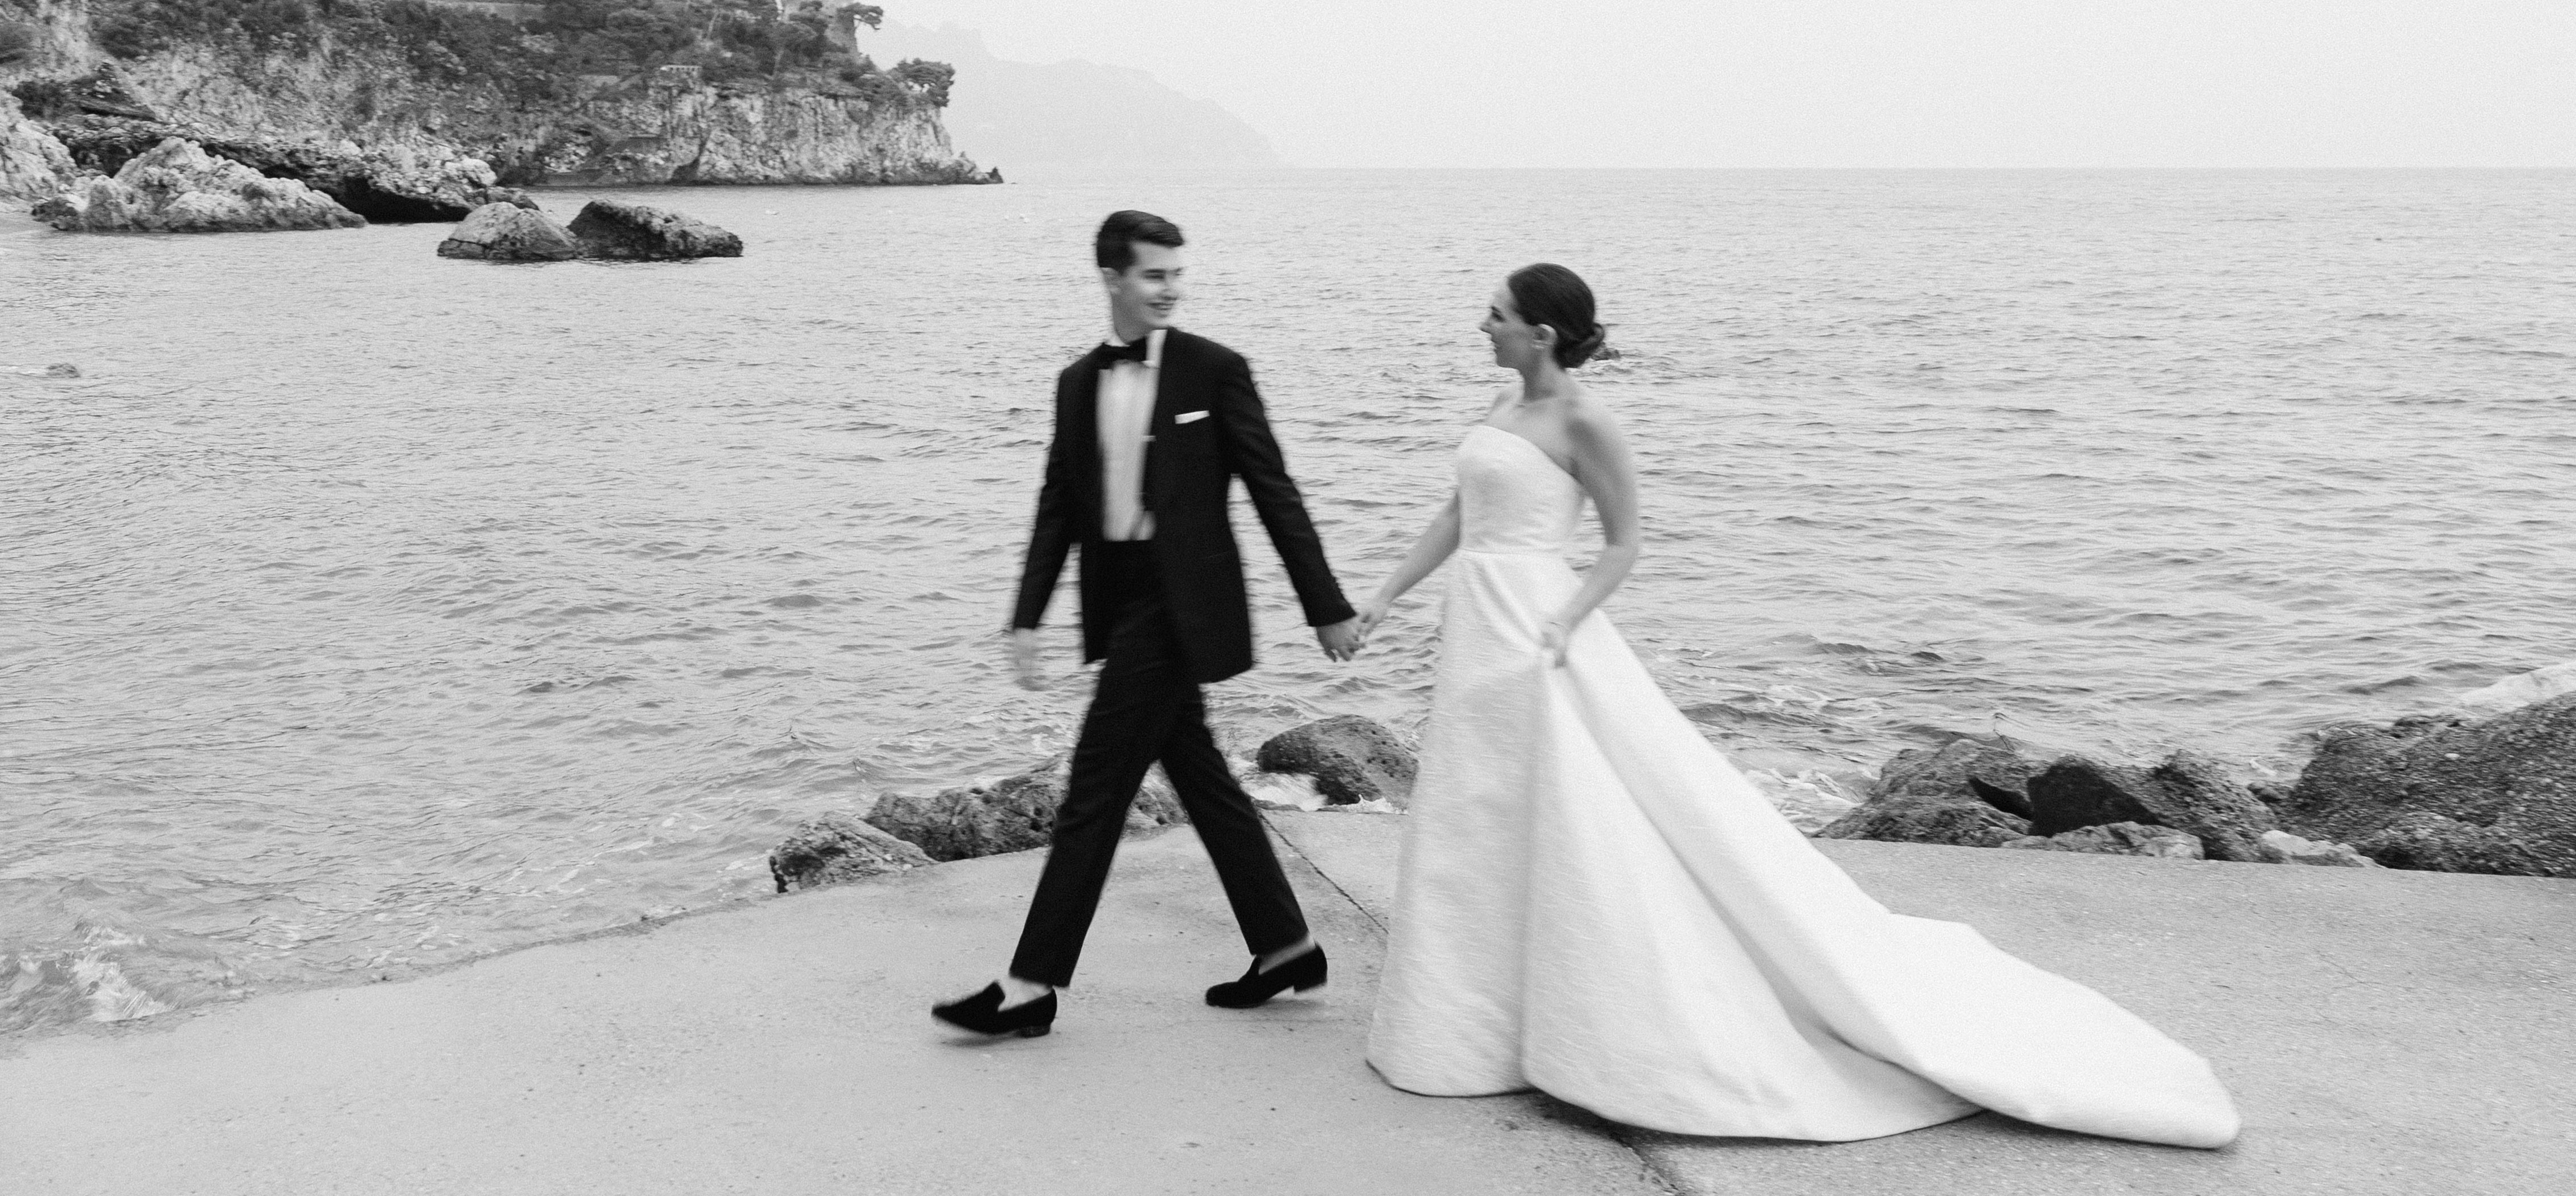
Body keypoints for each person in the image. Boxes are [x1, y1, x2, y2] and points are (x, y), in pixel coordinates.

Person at [1352, 263, 2240, 1147]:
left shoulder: (1585, 418)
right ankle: (1468, 1024)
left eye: (1497, 315)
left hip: (1539, 628)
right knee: (1475, 813)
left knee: (1574, 815)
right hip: (1477, 624)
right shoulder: (1503, 410)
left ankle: (1581, 1014)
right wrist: (1385, 597)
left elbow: (1624, 542)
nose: (1484, 325)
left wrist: (1567, 619)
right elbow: (1457, 515)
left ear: (1542, 333)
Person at [930, 210, 1363, 1039]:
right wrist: (1027, 616)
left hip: (1181, 608)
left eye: (1177, 272)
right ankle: (1286, 946)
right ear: (1112, 279)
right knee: (1200, 777)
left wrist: (1327, 606)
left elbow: (1276, 491)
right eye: (1155, 274)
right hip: (1120, 598)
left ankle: (1030, 986)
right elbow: (1059, 505)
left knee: (1094, 787)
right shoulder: (1076, 382)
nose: (1171, 287)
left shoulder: (1215, 371)